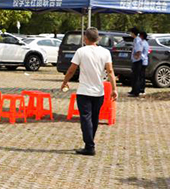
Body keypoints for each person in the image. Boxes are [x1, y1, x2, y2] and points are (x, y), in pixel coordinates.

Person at [61, 27, 118, 156]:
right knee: (94, 118)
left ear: (85, 38)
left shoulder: (81, 51)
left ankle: (89, 146)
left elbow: (71, 69)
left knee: (85, 118)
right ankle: (89, 143)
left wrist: (65, 81)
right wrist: (114, 89)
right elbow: (110, 71)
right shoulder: (105, 52)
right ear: (97, 39)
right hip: (99, 91)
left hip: (84, 91)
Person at [128, 27, 143, 97]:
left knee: (136, 77)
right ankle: (133, 90)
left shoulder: (137, 40)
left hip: (137, 61)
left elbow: (138, 50)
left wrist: (137, 56)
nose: (130, 34)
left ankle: (136, 92)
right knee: (133, 76)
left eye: (131, 32)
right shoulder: (135, 39)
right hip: (135, 60)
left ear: (133, 33)